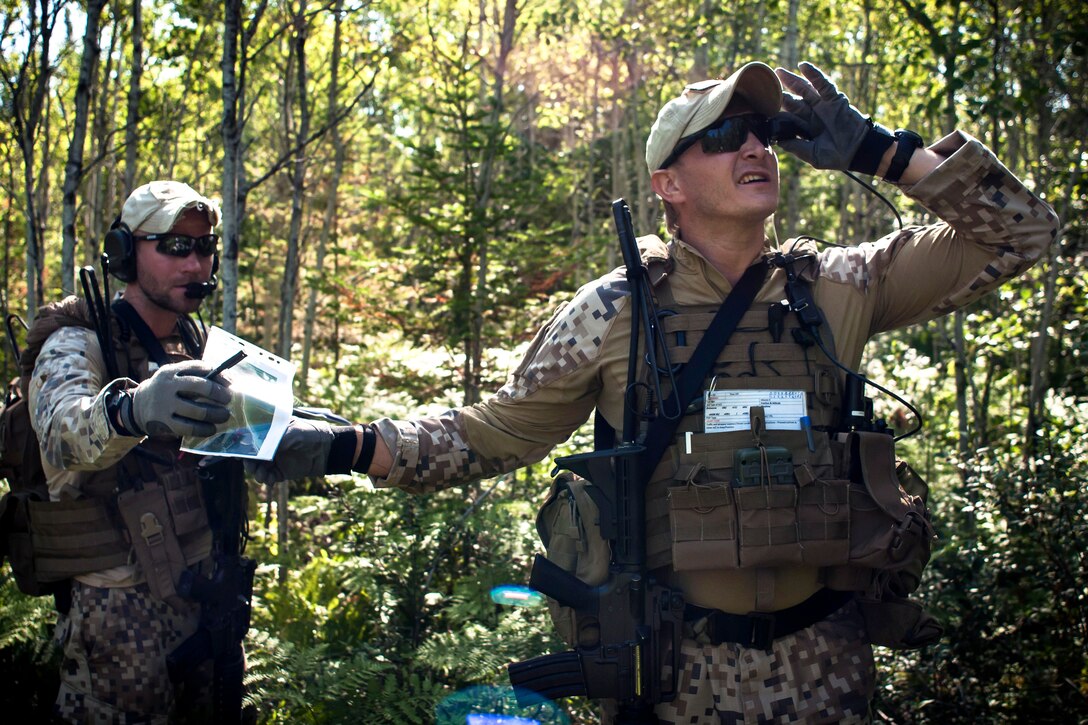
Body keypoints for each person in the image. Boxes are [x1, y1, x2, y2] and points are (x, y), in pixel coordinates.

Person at [249, 61, 1058, 722]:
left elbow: (1025, 231)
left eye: (767, 132)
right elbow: (495, 430)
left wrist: (884, 152)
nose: (757, 147)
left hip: (828, 668)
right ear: (668, 184)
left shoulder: (841, 285)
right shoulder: (614, 308)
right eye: (725, 135)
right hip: (677, 677)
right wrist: (352, 444)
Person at [25, 180, 235, 722]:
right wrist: (131, 410)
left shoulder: (196, 346)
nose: (195, 263)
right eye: (174, 246)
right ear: (124, 252)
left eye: (205, 246)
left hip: (199, 590)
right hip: (117, 608)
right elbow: (61, 432)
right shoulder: (80, 342)